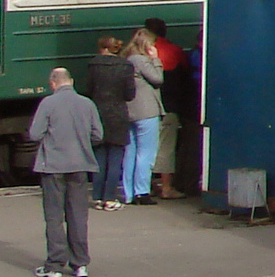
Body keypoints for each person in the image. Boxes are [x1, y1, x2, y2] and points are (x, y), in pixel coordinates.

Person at [27, 67, 100, 277]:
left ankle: (55, 264)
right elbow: (98, 134)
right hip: (80, 165)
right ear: (72, 81)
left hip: (53, 166)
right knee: (78, 215)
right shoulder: (87, 103)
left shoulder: (48, 103)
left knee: (54, 216)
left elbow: (34, 134)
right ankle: (80, 264)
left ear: (53, 84)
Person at [77, 35, 134, 210]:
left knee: (99, 158)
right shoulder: (126, 66)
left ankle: (97, 196)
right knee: (116, 159)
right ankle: (110, 197)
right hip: (118, 115)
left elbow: (89, 90)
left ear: (102, 47)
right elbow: (130, 95)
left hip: (98, 113)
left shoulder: (93, 65)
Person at [144, 17, 196, 198]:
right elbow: (186, 76)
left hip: (144, 109)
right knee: (166, 148)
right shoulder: (174, 51)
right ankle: (166, 187)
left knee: (143, 148)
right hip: (169, 107)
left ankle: (144, 186)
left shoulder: (137, 54)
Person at [123, 29, 165, 208]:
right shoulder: (141, 60)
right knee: (146, 153)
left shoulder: (127, 60)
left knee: (130, 153)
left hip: (130, 111)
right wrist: (156, 60)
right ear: (147, 45)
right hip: (146, 111)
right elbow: (157, 79)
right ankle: (142, 191)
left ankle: (128, 193)